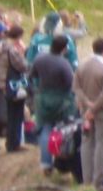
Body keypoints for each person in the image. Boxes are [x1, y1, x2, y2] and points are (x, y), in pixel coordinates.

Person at [28, 35, 76, 175]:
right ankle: (62, 162)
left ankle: (46, 163)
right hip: (61, 99)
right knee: (63, 130)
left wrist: (36, 90)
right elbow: (70, 84)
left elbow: (32, 76)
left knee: (45, 129)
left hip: (43, 97)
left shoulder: (39, 58)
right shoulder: (64, 64)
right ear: (64, 48)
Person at [73, 37, 103, 191]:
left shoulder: (82, 65)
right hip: (102, 110)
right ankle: (99, 181)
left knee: (87, 142)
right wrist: (94, 107)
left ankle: (87, 180)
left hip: (85, 109)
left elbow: (76, 88)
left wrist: (87, 104)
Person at [0, 24, 28, 153]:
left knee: (11, 114)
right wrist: (23, 55)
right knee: (17, 114)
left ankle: (11, 143)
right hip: (14, 85)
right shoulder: (12, 50)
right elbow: (22, 66)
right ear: (18, 36)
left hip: (4, 83)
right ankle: (15, 143)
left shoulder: (1, 46)